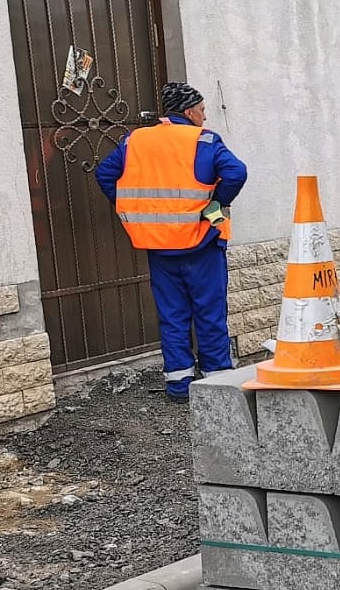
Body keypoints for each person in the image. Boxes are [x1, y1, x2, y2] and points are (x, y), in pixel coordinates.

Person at [96, 82, 248, 400]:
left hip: (158, 245)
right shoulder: (204, 140)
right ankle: (217, 383)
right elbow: (236, 172)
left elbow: (105, 174)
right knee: (209, 313)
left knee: (173, 315)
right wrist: (215, 206)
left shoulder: (136, 140)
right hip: (202, 241)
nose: (205, 116)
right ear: (189, 112)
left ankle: (179, 385)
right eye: (202, 110)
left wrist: (132, 209)